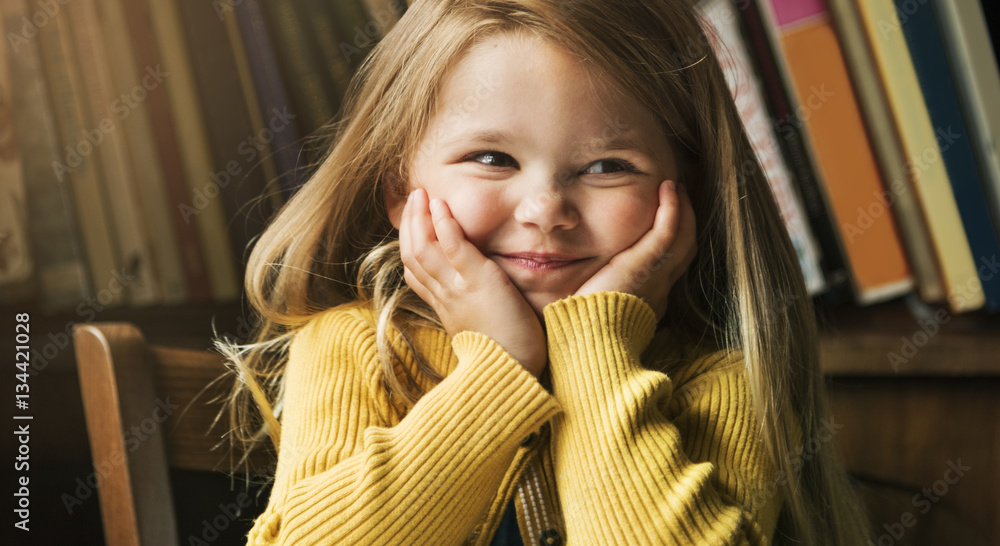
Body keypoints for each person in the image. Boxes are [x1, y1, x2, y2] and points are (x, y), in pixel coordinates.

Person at [217, 0, 870, 544]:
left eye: (608, 166)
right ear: (398, 188)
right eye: (493, 157)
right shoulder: (358, 347)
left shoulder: (722, 384)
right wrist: (496, 369)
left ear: (686, 191)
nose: (545, 211)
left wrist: (594, 346)